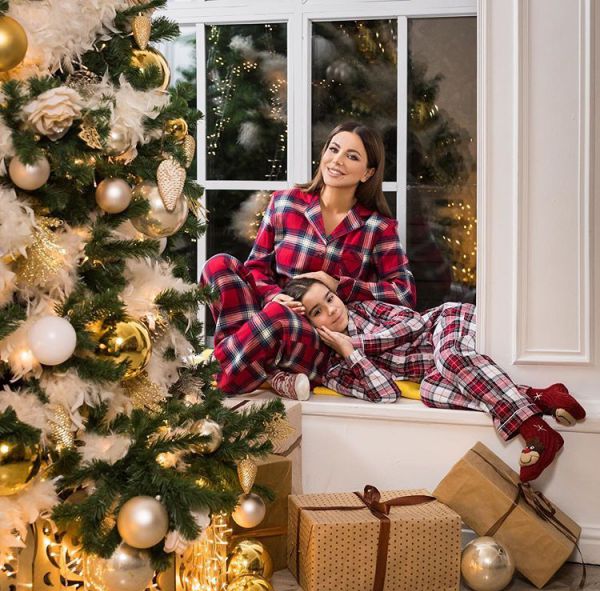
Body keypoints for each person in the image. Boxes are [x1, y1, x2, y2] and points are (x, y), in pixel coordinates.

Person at [281, 276, 586, 482]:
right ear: (309, 326)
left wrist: (359, 343)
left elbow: (413, 323)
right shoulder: (335, 369)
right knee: (431, 391)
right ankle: (539, 396)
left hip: (445, 323)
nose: (332, 310)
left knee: (450, 358)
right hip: (439, 372)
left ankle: (536, 431)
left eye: (330, 298)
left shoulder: (364, 310)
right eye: (318, 311)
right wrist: (350, 353)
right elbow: (386, 393)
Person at [200, 122, 416, 399]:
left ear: (368, 172)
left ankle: (219, 377)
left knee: (277, 318)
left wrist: (338, 284)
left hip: (320, 341)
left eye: (352, 156)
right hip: (271, 317)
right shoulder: (285, 203)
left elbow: (404, 294)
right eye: (333, 149)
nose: (337, 160)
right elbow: (256, 268)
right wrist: (274, 296)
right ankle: (266, 369)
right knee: (218, 266)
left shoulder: (378, 228)